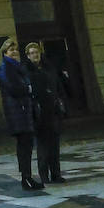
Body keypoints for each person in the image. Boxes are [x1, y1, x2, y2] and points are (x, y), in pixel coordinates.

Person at [0, 37, 42, 191]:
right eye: (11, 50)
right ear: (5, 53)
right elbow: (14, 88)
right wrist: (28, 89)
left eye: (15, 49)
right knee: (24, 146)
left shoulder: (18, 67)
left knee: (27, 146)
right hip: (17, 112)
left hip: (24, 111)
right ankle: (26, 179)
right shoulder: (5, 68)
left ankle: (27, 177)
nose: (14, 52)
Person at [24, 42, 69, 184]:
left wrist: (61, 102)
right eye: (31, 53)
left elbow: (59, 87)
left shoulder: (49, 68)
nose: (34, 55)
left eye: (36, 52)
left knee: (54, 146)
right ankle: (44, 176)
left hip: (53, 111)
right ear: (27, 56)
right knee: (43, 147)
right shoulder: (26, 71)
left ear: (40, 53)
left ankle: (56, 174)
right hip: (38, 113)